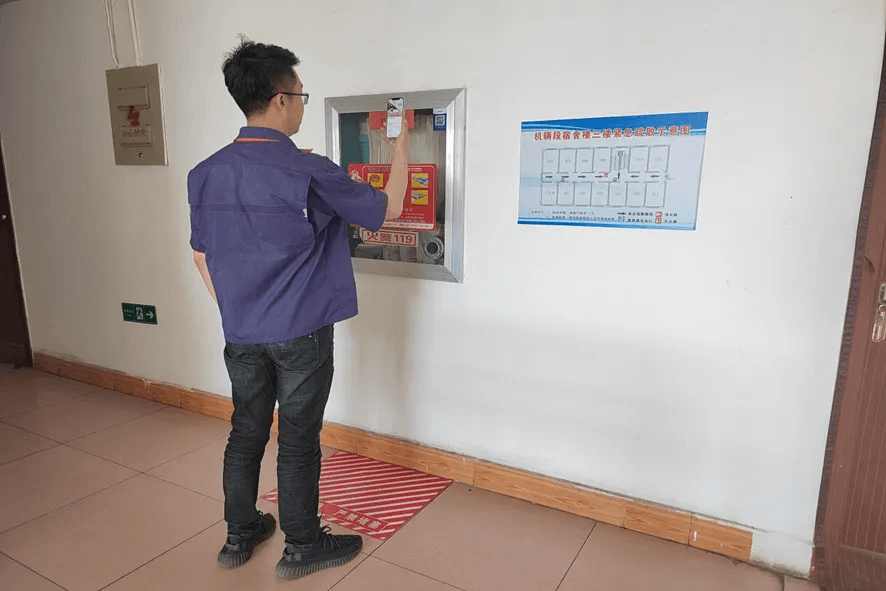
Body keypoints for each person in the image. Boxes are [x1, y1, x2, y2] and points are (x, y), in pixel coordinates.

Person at [187, 40, 408, 580]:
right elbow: (389, 210)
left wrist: (239, 311)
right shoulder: (308, 170)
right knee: (299, 438)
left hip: (241, 331)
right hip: (302, 334)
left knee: (246, 431)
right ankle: (303, 545)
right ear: (282, 99)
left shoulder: (205, 172)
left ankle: (239, 536)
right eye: (301, 95)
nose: (303, 105)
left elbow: (200, 255)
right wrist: (399, 142)